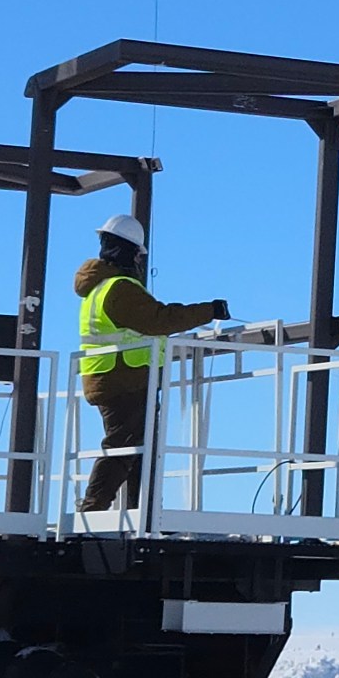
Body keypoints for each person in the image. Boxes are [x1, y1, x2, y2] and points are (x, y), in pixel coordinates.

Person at [74, 214, 227, 513]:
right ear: (129, 251)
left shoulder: (99, 288)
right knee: (124, 446)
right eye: (139, 253)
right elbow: (159, 319)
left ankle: (138, 510)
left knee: (137, 448)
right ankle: (93, 510)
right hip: (122, 378)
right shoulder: (119, 288)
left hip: (113, 377)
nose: (141, 260)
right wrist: (209, 310)